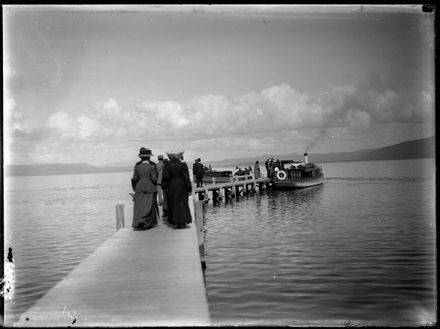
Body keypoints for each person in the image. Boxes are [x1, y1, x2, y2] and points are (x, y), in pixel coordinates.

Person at [163, 150, 192, 229]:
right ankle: (183, 221)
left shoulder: (168, 165)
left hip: (172, 185)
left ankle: (176, 221)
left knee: (173, 203)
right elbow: (186, 177)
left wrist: (165, 186)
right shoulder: (183, 165)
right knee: (183, 203)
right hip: (182, 185)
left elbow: (165, 177)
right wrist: (189, 187)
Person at [131, 147, 159, 230]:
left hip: (139, 187)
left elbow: (134, 178)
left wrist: (135, 186)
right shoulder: (152, 165)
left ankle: (138, 222)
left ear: (141, 157)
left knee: (139, 206)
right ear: (149, 157)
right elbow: (154, 178)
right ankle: (147, 223)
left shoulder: (137, 165)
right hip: (149, 187)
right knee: (149, 206)